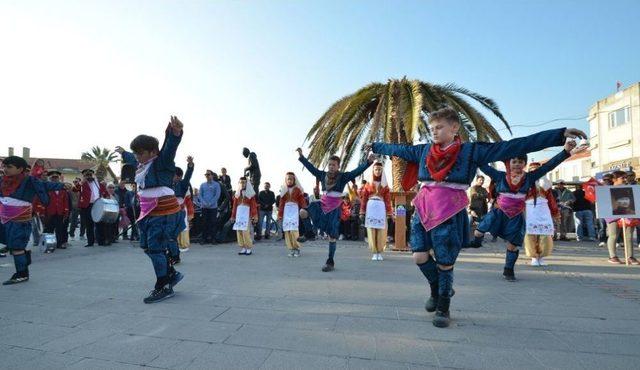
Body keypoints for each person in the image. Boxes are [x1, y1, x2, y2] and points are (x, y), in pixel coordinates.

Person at [370, 106, 587, 328]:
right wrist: (375, 146)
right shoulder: (424, 150)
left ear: (454, 128)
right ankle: (438, 290)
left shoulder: (471, 151)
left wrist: (559, 135)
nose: (434, 132)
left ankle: (443, 306)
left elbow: (514, 145)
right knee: (419, 256)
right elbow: (396, 149)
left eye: (439, 127)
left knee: (445, 263)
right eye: (432, 128)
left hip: (450, 211)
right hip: (424, 209)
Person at [471, 140, 581, 280]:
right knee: (479, 230)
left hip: (516, 215)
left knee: (513, 245)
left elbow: (549, 166)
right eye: (514, 161)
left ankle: (508, 270)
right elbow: (482, 165)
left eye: (520, 162)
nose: (517, 164)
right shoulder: (500, 176)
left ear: (525, 164)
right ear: (508, 163)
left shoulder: (530, 177)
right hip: (499, 212)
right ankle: (476, 242)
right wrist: (476, 151)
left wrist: (565, 152)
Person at [116, 116, 186, 303]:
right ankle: (170, 273)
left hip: (163, 212)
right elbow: (131, 158)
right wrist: (124, 153)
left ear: (153, 152)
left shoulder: (161, 163)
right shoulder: (142, 165)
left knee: (155, 248)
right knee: (146, 246)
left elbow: (170, 147)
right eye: (136, 154)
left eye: (141, 153)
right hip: (147, 213)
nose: (137, 157)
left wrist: (175, 133)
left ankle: (163, 285)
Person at [297, 148, 374, 272]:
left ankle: (330, 261)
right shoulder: (322, 175)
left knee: (332, 237)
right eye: (329, 164)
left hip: (334, 209)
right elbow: (311, 168)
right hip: (322, 204)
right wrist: (302, 157)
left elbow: (356, 171)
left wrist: (368, 162)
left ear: (338, 166)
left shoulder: (343, 177)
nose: (331, 167)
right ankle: (309, 233)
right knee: (303, 212)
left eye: (334, 165)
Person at [1, 156, 69, 285]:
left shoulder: (29, 181)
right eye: (4, 166)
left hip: (20, 219)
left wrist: (62, 185)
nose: (5, 169)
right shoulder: (3, 181)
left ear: (20, 169)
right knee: (10, 244)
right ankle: (24, 258)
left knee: (17, 246)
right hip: (5, 219)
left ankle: (21, 274)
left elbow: (45, 184)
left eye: (9, 167)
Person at [523, 162, 559, 266]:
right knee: (531, 233)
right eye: (532, 170)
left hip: (543, 209)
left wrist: (555, 212)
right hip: (530, 209)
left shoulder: (545, 184)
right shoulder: (525, 183)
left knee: (545, 233)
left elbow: (551, 199)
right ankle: (534, 257)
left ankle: (542, 256)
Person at [359, 161, 393, 261]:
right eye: (376, 169)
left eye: (379, 170)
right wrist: (362, 211)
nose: (378, 171)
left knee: (381, 229)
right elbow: (364, 198)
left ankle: (380, 251)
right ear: (373, 170)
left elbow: (387, 200)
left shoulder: (385, 185)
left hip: (381, 207)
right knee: (371, 229)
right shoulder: (368, 184)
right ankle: (374, 252)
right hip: (370, 207)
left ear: (382, 171)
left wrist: (389, 212)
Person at [605, 171, 639, 265]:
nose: (625, 179)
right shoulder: (606, 190)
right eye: (622, 178)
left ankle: (630, 256)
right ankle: (613, 256)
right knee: (614, 235)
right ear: (614, 179)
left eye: (625, 177)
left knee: (629, 236)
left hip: (628, 214)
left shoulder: (630, 189)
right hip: (613, 215)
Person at [36, 170, 70, 253]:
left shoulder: (63, 189)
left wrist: (66, 211)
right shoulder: (47, 188)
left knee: (60, 229)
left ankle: (59, 243)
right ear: (50, 178)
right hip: (49, 212)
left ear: (58, 178)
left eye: (56, 177)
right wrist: (42, 212)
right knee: (48, 229)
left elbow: (65, 201)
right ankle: (48, 243)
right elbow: (42, 201)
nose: (55, 179)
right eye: (53, 178)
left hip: (60, 212)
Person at [277, 172, 307, 257]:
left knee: (294, 230)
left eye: (291, 179)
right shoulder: (284, 190)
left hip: (294, 210)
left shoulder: (298, 190)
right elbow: (281, 204)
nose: (289, 180)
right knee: (287, 230)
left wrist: (304, 209)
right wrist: (280, 214)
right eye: (288, 179)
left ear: (294, 180)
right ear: (285, 180)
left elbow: (302, 201)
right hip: (286, 211)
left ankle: (297, 248)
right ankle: (291, 249)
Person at [78, 169, 109, 247]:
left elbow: (105, 193)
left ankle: (101, 241)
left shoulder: (97, 183)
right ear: (84, 176)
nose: (89, 177)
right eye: (87, 175)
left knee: (100, 224)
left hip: (98, 205)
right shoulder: (82, 185)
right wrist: (82, 181)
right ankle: (90, 242)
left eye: (90, 175)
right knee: (89, 225)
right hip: (87, 206)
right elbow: (75, 189)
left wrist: (106, 197)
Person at [230, 177, 258, 255]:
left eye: (244, 182)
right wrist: (233, 216)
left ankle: (248, 248)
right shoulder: (237, 194)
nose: (242, 184)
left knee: (246, 231)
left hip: (246, 214)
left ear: (247, 183)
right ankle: (243, 247)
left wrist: (254, 215)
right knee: (239, 231)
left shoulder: (250, 194)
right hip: (239, 214)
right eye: (241, 182)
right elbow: (234, 206)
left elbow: (253, 205)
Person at [174, 156, 194, 255]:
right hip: (171, 208)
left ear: (178, 176)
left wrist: (190, 166)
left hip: (181, 208)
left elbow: (188, 175)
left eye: (174, 175)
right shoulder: (168, 184)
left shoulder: (183, 184)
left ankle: (184, 244)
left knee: (183, 226)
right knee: (173, 226)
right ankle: (174, 244)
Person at [199, 170, 221, 244]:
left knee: (213, 223)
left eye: (208, 174)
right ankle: (204, 239)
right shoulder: (202, 185)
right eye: (206, 175)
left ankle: (213, 239)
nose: (207, 176)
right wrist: (204, 203)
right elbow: (200, 195)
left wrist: (210, 203)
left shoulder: (216, 185)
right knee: (204, 223)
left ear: (212, 175)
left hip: (213, 207)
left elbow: (217, 195)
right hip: (204, 207)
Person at [597, 173, 614, 248]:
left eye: (608, 179)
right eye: (605, 180)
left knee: (614, 227)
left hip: (613, 209)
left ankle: (618, 241)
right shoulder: (600, 188)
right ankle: (602, 240)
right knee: (602, 227)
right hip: (602, 209)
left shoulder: (614, 187)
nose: (606, 181)